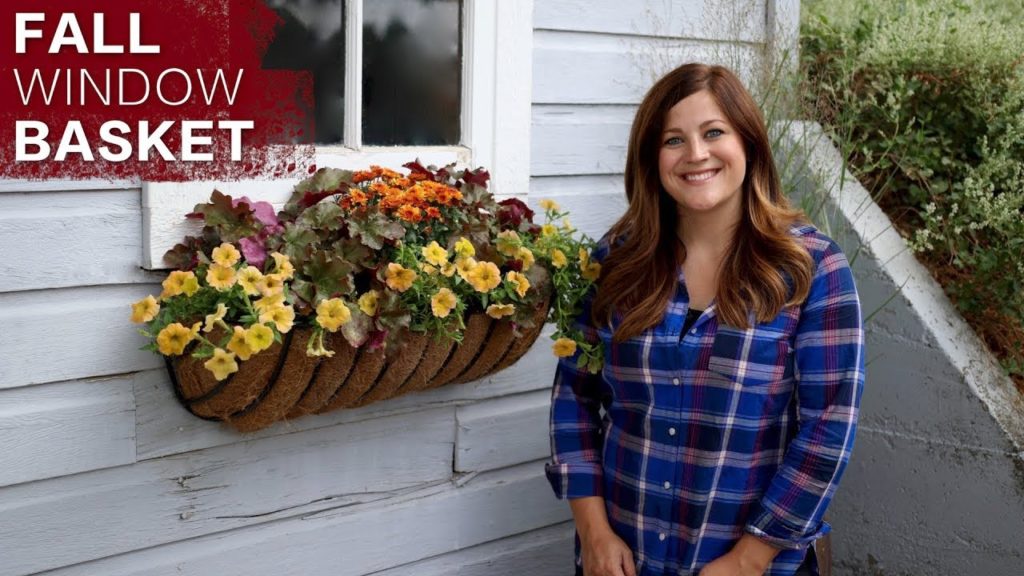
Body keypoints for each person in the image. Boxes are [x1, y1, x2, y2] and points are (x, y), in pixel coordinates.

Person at [545, 62, 864, 576]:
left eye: (713, 132)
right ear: (652, 158)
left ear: (749, 144)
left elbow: (829, 428)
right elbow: (574, 399)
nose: (696, 154)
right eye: (674, 139)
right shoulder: (615, 263)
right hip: (625, 559)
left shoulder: (811, 269)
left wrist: (746, 561)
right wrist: (594, 532)